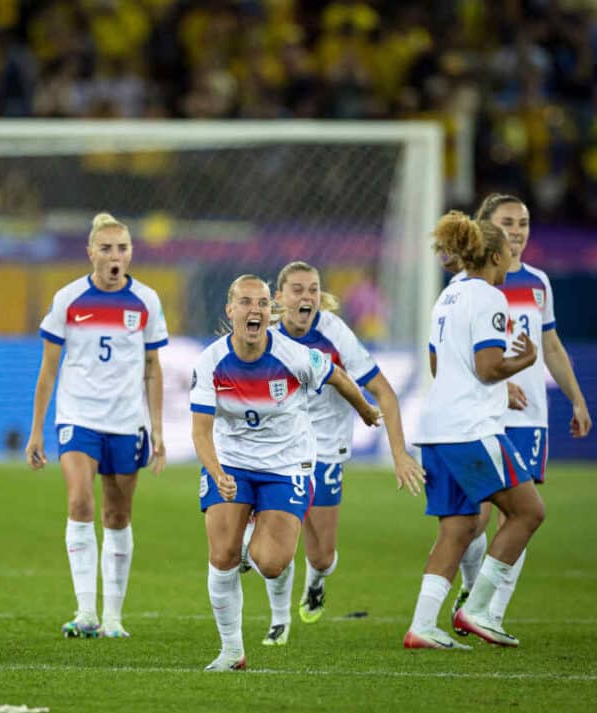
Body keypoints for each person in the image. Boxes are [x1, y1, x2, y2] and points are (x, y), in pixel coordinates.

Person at [191, 275, 383, 671]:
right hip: (232, 461)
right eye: (246, 302)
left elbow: (337, 375)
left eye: (262, 303)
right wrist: (217, 472)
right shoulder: (211, 361)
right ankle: (232, 651)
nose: (255, 310)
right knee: (222, 555)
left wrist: (365, 410)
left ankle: (251, 537)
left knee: (271, 563)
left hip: (286, 464)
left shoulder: (292, 355)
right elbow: (200, 432)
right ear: (230, 310)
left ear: (270, 311)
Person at [241, 261, 423, 640]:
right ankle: (275, 610)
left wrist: (399, 453)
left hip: (325, 450)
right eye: (298, 290)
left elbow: (384, 392)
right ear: (280, 297)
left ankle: (316, 581)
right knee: (279, 537)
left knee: (322, 555)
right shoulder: (265, 335)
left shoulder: (335, 334)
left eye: (313, 289)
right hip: (280, 452)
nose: (307, 297)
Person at [450, 194, 592, 632]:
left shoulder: (538, 282)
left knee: (519, 516)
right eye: (507, 222)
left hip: (527, 418)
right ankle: (471, 590)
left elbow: (550, 345)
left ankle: (490, 612)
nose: (517, 231)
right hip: (480, 415)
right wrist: (495, 382)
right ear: (486, 227)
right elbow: (451, 352)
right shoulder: (466, 284)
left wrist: (577, 397)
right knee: (472, 520)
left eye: (523, 223)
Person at [25, 212, 168, 639]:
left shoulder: (146, 301)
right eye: (106, 248)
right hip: (78, 417)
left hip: (126, 422)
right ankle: (86, 611)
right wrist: (36, 430)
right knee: (80, 502)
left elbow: (153, 368)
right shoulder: (68, 299)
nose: (114, 255)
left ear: (130, 254)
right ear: (91, 253)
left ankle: (113, 618)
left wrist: (158, 429)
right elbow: (48, 370)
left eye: (122, 248)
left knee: (117, 514)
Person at [404, 211, 541, 650]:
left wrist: (490, 386)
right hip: (470, 428)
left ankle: (422, 626)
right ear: (495, 256)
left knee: (459, 527)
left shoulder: (448, 295)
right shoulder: (489, 297)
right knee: (528, 512)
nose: (511, 261)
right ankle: (478, 609)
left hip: (435, 429)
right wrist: (524, 361)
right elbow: (488, 368)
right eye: (507, 254)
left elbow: (437, 365)